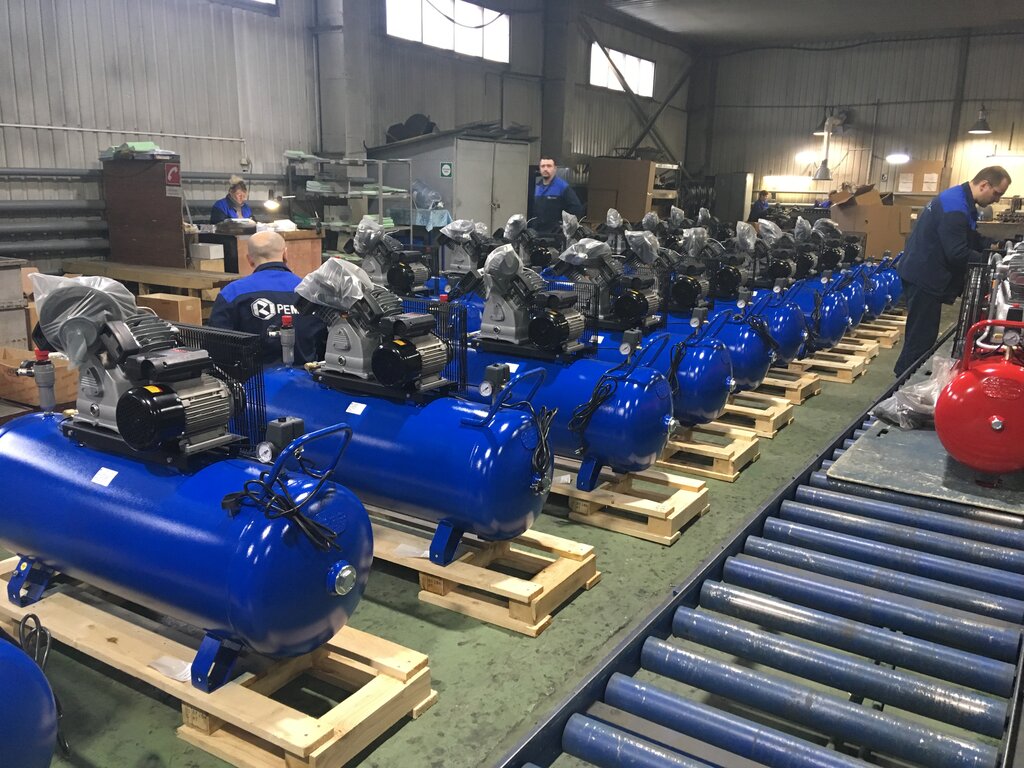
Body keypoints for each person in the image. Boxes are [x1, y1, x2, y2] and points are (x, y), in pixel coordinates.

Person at [893, 166, 1011, 376]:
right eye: (996, 194)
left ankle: (907, 376)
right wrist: (993, 261)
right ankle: (903, 383)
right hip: (924, 276)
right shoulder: (956, 206)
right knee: (921, 337)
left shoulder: (960, 199)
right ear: (984, 185)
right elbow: (957, 253)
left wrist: (996, 246)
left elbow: (968, 237)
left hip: (924, 271)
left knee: (922, 335)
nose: (996, 200)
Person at [208, 231, 325, 364]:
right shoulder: (311, 291)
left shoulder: (232, 293)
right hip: (308, 375)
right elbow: (325, 342)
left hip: (253, 376)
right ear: (285, 254)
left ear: (249, 259)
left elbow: (217, 347)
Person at [533, 155, 583, 234]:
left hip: (556, 235)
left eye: (549, 166)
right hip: (537, 233)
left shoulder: (562, 187)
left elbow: (576, 208)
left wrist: (564, 226)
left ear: (555, 168)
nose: (545, 169)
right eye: (543, 166)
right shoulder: (536, 187)